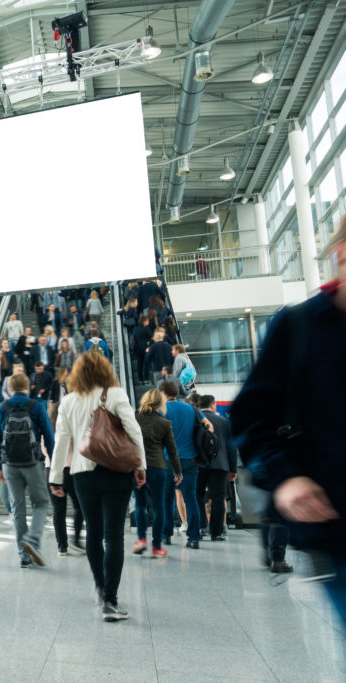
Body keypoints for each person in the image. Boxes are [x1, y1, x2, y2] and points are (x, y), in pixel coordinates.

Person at [232, 220, 346, 616]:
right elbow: (251, 417)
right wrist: (286, 477)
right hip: (335, 523)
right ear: (340, 254)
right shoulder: (299, 326)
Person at [50, 352, 146, 621]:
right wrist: (141, 466)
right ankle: (111, 603)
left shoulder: (67, 401)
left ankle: (101, 588)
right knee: (114, 535)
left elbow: (61, 442)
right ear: (105, 371)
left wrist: (56, 478)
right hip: (117, 471)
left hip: (83, 474)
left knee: (93, 532)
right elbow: (133, 429)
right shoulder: (115, 394)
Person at [0, 373, 55, 568]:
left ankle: (23, 555)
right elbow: (49, 435)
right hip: (32, 463)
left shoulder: (1, 408)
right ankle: (33, 539)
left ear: (11, 388)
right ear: (27, 387)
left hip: (9, 465)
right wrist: (53, 461)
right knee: (41, 502)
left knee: (17, 508)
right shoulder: (36, 406)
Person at [132, 389, 182, 557]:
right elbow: (172, 451)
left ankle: (141, 540)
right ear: (160, 403)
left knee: (139, 505)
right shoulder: (164, 423)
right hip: (159, 468)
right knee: (158, 506)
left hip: (138, 468)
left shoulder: (134, 418)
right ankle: (156, 546)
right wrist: (178, 471)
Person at [159, 381, 208, 549]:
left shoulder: (160, 410)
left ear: (162, 393)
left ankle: (166, 535)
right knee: (190, 497)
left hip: (166, 461)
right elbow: (210, 427)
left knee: (166, 498)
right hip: (190, 459)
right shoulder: (192, 409)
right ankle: (194, 538)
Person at [48, 372, 84, 557]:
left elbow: (47, 450)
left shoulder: (47, 429)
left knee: (58, 510)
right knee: (79, 506)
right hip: (70, 470)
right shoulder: (70, 424)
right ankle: (76, 539)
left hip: (51, 470)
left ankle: (62, 546)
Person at [197, 396, 237, 542]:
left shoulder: (196, 419)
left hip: (199, 463)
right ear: (212, 404)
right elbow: (231, 447)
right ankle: (216, 533)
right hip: (220, 465)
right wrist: (233, 469)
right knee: (218, 498)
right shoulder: (224, 421)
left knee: (197, 495)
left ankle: (201, 527)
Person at [131, 316, 153, 384]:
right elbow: (152, 338)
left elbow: (134, 339)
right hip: (146, 349)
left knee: (139, 365)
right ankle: (146, 379)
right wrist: (149, 346)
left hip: (137, 349)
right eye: (147, 321)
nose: (148, 322)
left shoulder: (135, 328)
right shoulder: (146, 329)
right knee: (146, 364)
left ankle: (140, 380)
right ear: (144, 321)